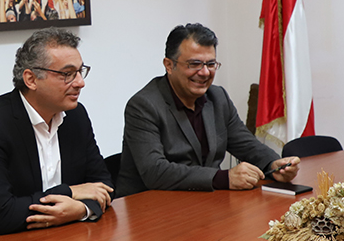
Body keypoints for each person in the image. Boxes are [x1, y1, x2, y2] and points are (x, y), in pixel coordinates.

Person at [0, 28, 113, 241]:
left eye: (80, 71)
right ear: (31, 79)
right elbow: (2, 215)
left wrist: (80, 209)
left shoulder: (76, 116)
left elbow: (103, 185)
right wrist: (69, 192)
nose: (80, 82)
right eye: (67, 74)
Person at [116, 23, 300, 197]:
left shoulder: (218, 97)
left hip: (202, 201)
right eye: (194, 64)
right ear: (169, 65)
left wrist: (273, 164)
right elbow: (155, 171)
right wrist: (223, 178)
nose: (205, 72)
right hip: (148, 206)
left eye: (211, 64)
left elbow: (246, 144)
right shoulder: (143, 106)